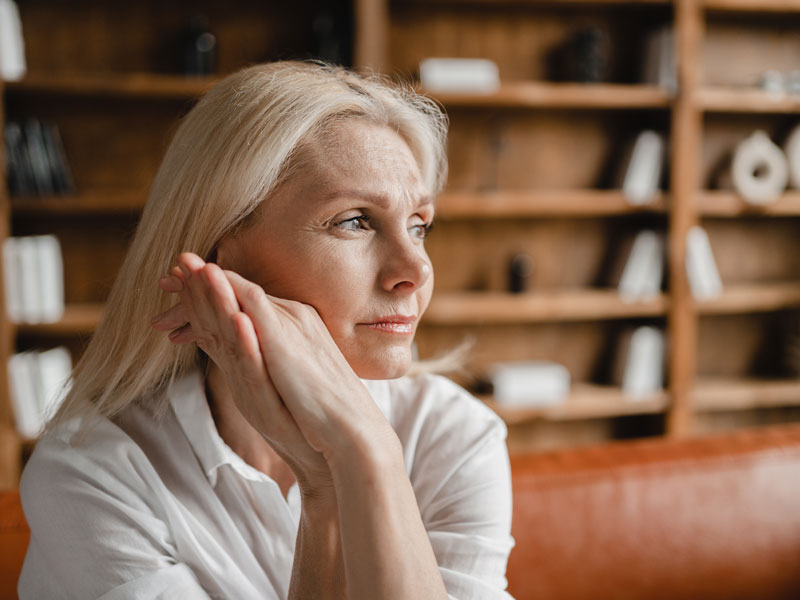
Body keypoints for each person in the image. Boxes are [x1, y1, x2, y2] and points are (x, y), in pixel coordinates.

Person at [18, 61, 514, 599]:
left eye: (420, 225)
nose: (415, 270)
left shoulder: (453, 434)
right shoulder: (93, 473)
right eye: (354, 220)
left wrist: (369, 453)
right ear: (220, 259)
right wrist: (331, 481)